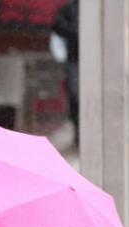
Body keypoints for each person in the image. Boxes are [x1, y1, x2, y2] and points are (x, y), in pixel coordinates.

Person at [52, 0, 80, 146]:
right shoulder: (69, 9)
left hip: (91, 58)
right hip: (74, 58)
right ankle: (77, 125)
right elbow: (57, 26)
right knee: (74, 94)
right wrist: (74, 32)